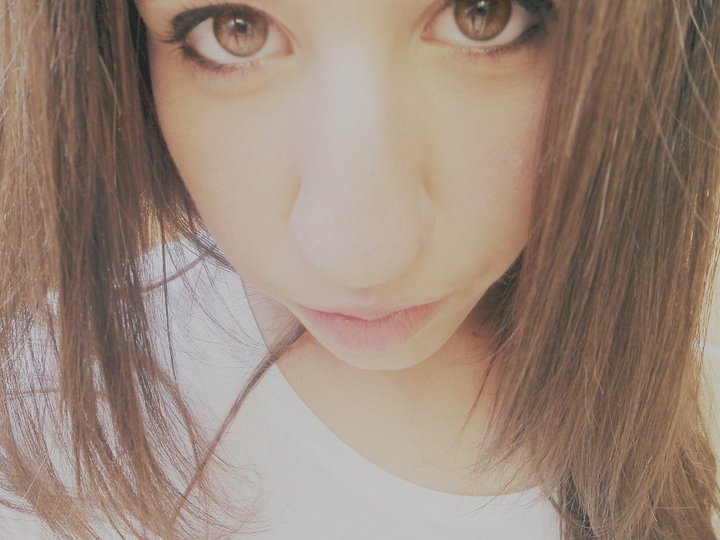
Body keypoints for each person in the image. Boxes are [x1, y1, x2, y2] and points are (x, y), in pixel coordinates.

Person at [0, 0, 718, 538]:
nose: (359, 254)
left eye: (483, 15)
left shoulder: (700, 405)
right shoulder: (33, 437)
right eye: (236, 29)